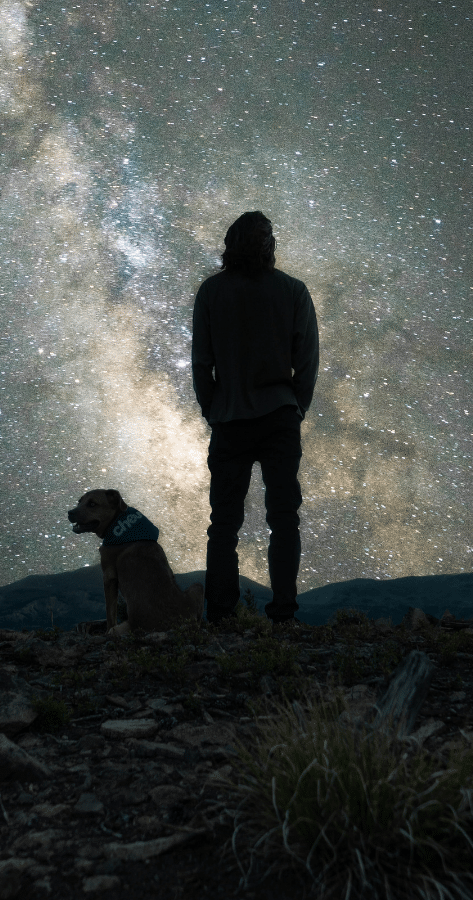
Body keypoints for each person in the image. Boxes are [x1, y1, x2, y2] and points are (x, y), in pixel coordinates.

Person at [191, 211, 319, 626]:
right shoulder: (293, 291)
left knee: (223, 524)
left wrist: (212, 408)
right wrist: (296, 406)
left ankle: (222, 615)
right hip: (279, 416)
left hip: (230, 419)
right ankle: (283, 612)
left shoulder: (212, 292)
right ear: (269, 245)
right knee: (283, 518)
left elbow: (201, 361)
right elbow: (308, 360)